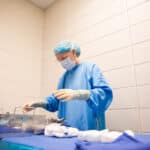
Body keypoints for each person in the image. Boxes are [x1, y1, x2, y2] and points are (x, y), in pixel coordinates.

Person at [23, 40, 113, 130]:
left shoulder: (91, 69)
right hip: (68, 132)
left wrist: (77, 94)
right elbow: (55, 101)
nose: (62, 62)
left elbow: (104, 94)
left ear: (73, 53)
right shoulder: (64, 77)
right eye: (59, 60)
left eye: (64, 58)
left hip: (90, 130)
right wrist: (38, 104)